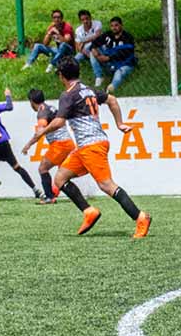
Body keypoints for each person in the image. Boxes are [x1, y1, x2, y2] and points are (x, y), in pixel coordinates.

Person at [21, 58, 151, 238]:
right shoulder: (88, 90)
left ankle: (140, 217)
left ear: (61, 75)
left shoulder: (68, 94)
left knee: (106, 185)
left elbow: (59, 122)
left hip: (92, 145)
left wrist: (41, 133)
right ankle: (89, 211)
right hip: (85, 147)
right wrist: (119, 124)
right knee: (59, 178)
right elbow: (112, 100)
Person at [26, 87, 83, 204]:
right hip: (68, 143)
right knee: (63, 173)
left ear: (32, 101)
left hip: (60, 144)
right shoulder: (49, 107)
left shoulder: (42, 112)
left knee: (43, 168)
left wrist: (28, 144)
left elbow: (40, 132)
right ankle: (59, 192)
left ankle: (49, 197)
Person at [95, 16, 137, 94]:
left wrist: (108, 58)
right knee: (92, 52)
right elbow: (95, 42)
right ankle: (99, 77)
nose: (114, 28)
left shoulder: (128, 37)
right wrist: (96, 54)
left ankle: (110, 89)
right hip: (110, 62)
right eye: (112, 26)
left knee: (119, 73)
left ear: (121, 25)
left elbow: (125, 53)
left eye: (116, 25)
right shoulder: (108, 34)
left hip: (125, 63)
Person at [72, 10, 105, 86]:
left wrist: (83, 41)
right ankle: (72, 76)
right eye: (83, 20)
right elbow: (78, 46)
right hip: (85, 50)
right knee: (75, 59)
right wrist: (85, 52)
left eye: (87, 18)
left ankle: (99, 76)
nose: (85, 21)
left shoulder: (97, 23)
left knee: (92, 53)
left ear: (90, 18)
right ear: (80, 21)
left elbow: (97, 36)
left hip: (98, 47)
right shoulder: (78, 30)